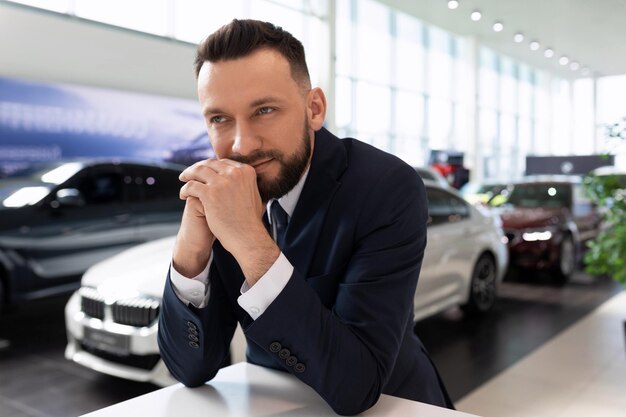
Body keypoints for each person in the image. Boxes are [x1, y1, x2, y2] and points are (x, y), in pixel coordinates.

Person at [157, 19, 454, 415]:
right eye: (220, 119)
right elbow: (190, 368)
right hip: (271, 402)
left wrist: (248, 240)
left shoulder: (385, 187)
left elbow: (357, 386)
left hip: (394, 404)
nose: (242, 145)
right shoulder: (228, 195)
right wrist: (191, 251)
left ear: (314, 108)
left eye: (264, 110)